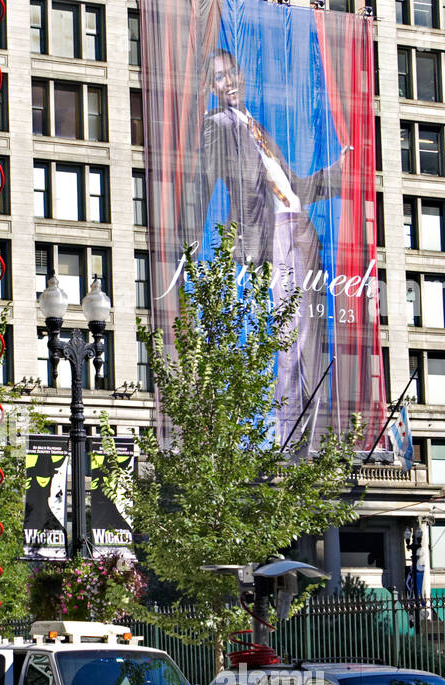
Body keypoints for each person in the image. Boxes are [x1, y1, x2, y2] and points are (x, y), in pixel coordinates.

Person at [182, 48, 348, 452]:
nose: (230, 81)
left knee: (312, 342)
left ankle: (315, 442)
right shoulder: (217, 125)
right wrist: (190, 241)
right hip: (274, 235)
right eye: (220, 77)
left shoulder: (255, 125)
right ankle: (291, 441)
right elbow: (202, 182)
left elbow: (297, 189)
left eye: (232, 72)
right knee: (290, 340)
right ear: (211, 87)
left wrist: (337, 171)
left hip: (302, 231)